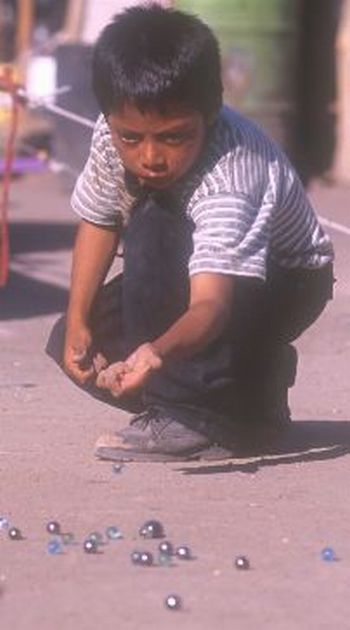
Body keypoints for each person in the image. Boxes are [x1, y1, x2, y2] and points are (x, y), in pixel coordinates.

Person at [46, 3, 334, 462]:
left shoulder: (231, 171)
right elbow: (100, 219)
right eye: (132, 138)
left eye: (174, 137)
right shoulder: (111, 130)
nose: (151, 157)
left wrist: (158, 353)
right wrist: (79, 319)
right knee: (77, 339)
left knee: (155, 223)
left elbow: (211, 304)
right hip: (201, 273)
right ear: (111, 117)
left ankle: (192, 416)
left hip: (283, 281)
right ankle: (251, 396)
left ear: (211, 112)